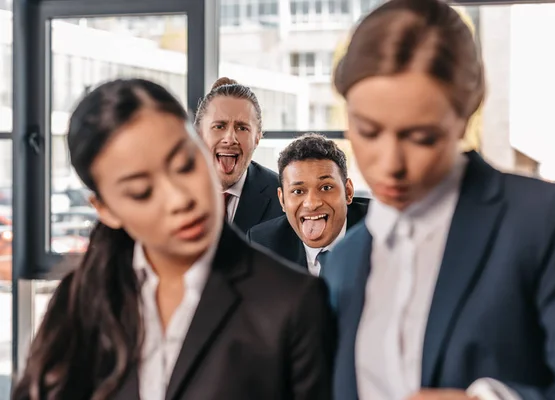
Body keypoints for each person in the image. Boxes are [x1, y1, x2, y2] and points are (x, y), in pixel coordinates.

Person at [322, 1, 555, 400]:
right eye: (367, 131)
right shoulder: (345, 260)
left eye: (421, 138)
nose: (390, 165)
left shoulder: (544, 221)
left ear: (467, 115)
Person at [12, 79, 334, 400]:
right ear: (106, 210)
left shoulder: (292, 303)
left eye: (184, 165)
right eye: (142, 192)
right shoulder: (80, 300)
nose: (179, 199)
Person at [248, 133, 368, 276]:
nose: (312, 204)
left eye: (326, 188)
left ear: (348, 192)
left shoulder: (380, 231)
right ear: (282, 200)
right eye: (298, 191)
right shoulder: (262, 245)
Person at [194, 77, 283, 233]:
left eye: (242, 128)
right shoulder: (167, 192)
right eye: (219, 126)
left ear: (257, 138)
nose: (230, 139)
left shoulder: (283, 198)